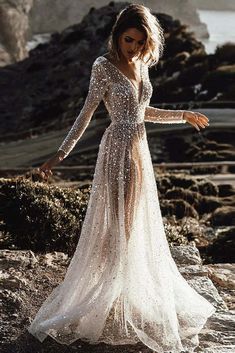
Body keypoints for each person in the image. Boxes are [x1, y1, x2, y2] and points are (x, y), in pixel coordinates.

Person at [28, 4, 216, 352]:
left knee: (131, 225)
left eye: (139, 41)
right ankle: (102, 298)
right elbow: (86, 114)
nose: (132, 47)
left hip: (139, 149)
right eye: (128, 39)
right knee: (118, 225)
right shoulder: (103, 66)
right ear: (117, 35)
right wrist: (61, 154)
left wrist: (183, 115)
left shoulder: (141, 65)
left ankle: (124, 294)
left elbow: (144, 112)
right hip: (116, 150)